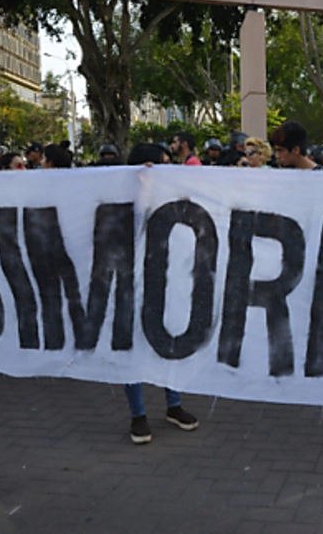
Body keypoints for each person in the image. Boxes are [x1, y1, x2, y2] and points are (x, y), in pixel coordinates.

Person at [121, 144, 199, 443]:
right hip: (130, 283)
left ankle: (173, 405)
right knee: (131, 349)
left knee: (170, 341)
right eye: (162, 164)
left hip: (166, 281)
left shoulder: (171, 195)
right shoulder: (122, 198)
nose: (169, 169)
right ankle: (138, 415)